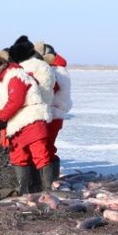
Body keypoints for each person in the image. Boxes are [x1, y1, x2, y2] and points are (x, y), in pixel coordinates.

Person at [0, 54, 54, 195]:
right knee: (18, 156)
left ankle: (47, 190)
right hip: (15, 125)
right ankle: (24, 190)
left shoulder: (16, 76)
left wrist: (2, 119)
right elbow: (2, 105)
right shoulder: (0, 83)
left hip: (31, 120)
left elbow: (16, 100)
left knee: (40, 154)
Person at [35, 41, 72, 176]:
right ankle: (50, 177)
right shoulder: (57, 69)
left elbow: (50, 89)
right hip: (55, 113)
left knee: (47, 147)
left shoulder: (55, 71)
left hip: (53, 113)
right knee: (47, 146)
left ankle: (49, 179)